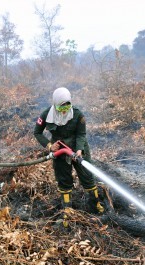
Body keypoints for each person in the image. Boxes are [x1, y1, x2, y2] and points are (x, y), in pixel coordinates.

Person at [34, 87, 104, 224]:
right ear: (55, 104)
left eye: (67, 106)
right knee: (64, 181)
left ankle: (95, 205)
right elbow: (37, 132)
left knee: (88, 176)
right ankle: (67, 212)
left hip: (78, 148)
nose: (65, 110)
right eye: (61, 107)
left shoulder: (78, 115)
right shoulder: (46, 115)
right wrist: (49, 146)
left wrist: (79, 150)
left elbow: (81, 134)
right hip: (59, 150)